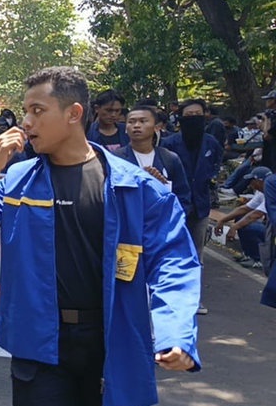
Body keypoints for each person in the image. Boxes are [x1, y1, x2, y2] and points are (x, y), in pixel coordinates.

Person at [0, 67, 200, 406]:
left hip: (109, 343)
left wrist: (176, 333)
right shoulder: (16, 179)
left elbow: (175, 261)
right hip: (38, 346)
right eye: (25, 112)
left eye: (38, 110)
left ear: (73, 114)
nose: (27, 122)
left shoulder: (134, 186)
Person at [160, 99, 223, 315]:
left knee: (197, 254)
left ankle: (194, 299)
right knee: (172, 252)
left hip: (201, 206)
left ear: (205, 115)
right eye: (188, 115)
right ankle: (171, 296)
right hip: (175, 206)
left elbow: (215, 165)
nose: (193, 118)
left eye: (197, 114)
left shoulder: (212, 143)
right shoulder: (170, 144)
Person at [113, 105, 191, 214]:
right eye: (131, 122)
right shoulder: (115, 159)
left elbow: (183, 197)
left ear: (157, 127)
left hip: (162, 222)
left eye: (143, 121)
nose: (136, 125)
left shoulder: (169, 158)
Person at [213, 167, 272, 269]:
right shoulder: (262, 191)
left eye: (252, 180)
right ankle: (249, 254)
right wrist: (223, 220)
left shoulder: (271, 192)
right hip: (271, 229)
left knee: (250, 227)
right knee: (240, 218)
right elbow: (245, 208)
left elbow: (256, 214)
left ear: (259, 181)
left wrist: (234, 227)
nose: (250, 184)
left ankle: (259, 259)